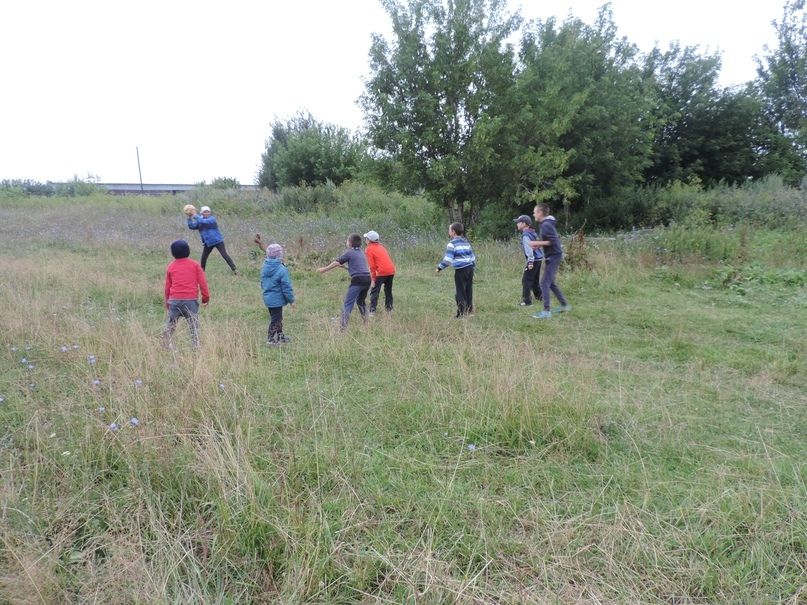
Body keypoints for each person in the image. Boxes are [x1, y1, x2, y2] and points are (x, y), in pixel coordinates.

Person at [318, 234, 372, 330]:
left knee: (348, 303)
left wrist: (324, 269)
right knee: (360, 301)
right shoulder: (361, 253)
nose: (346, 242)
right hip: (367, 279)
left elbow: (336, 262)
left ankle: (342, 327)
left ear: (350, 243)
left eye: (347, 241)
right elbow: (359, 269)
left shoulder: (349, 253)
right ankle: (367, 322)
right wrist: (345, 267)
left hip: (358, 280)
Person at [163, 240, 209, 349]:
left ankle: (166, 344)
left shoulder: (171, 266)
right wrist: (205, 298)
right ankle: (195, 345)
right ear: (188, 251)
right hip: (191, 301)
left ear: (173, 253)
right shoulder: (195, 265)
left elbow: (167, 287)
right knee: (193, 324)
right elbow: (203, 283)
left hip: (174, 301)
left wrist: (167, 302)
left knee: (171, 323)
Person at [529, 204, 571, 319]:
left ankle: (546, 311)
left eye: (534, 212)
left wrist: (536, 243)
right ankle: (564, 305)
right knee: (551, 283)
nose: (533, 214)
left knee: (544, 283)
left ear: (540, 213)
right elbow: (549, 241)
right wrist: (538, 245)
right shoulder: (546, 224)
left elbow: (553, 241)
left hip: (553, 256)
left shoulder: (546, 225)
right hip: (553, 255)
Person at [436, 222, 476, 318]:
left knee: (460, 292)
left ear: (453, 232)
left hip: (461, 270)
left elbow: (448, 260)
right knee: (468, 290)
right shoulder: (466, 242)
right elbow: (472, 257)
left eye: (449, 230)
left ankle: (462, 313)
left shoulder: (452, 244)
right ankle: (469, 311)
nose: (449, 231)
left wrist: (439, 267)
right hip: (470, 268)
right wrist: (472, 267)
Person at [260, 244, 295, 345]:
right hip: (277, 300)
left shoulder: (264, 267)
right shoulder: (282, 269)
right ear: (280, 255)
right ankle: (270, 339)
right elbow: (286, 287)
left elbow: (262, 283)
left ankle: (280, 336)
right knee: (276, 319)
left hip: (268, 298)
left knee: (276, 317)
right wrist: (291, 300)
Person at [186, 205, 238, 273]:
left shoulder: (212, 219)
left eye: (208, 211)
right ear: (202, 213)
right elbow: (192, 226)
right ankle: (202, 272)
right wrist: (189, 218)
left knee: (224, 255)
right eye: (205, 212)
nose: (206, 213)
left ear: (210, 212)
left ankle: (235, 270)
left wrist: (195, 215)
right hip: (208, 243)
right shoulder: (200, 220)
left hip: (217, 241)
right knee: (204, 258)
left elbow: (204, 222)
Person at [363, 230, 396, 314]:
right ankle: (389, 310)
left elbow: (372, 266)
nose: (365, 240)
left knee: (374, 291)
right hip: (391, 271)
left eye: (366, 238)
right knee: (388, 291)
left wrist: (373, 279)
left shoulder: (369, 249)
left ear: (369, 240)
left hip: (381, 272)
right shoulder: (381, 246)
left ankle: (372, 311)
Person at [514, 214, 543, 306]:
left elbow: (529, 250)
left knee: (526, 280)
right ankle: (540, 297)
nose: (517, 224)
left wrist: (530, 262)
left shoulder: (526, 235)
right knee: (534, 279)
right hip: (538, 259)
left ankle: (527, 301)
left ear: (524, 224)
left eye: (518, 222)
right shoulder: (532, 232)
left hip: (533, 260)